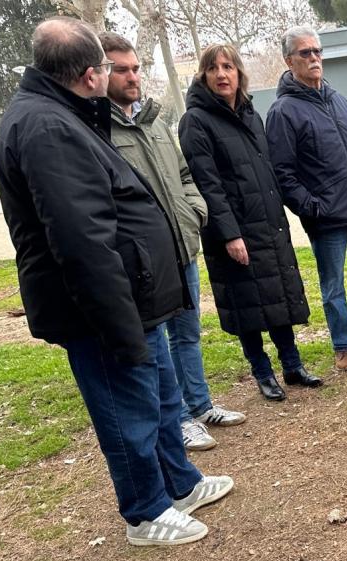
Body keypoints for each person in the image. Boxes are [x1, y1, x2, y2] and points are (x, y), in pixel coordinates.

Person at [0, 17, 232, 546]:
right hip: (101, 308)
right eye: (106, 66)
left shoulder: (66, 114)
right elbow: (82, 239)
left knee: (162, 397)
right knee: (129, 414)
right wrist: (117, 323)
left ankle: (180, 483)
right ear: (90, 74)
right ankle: (145, 513)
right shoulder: (46, 127)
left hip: (137, 296)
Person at [100, 32, 245, 451]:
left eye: (135, 68)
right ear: (101, 73)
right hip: (146, 262)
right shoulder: (99, 131)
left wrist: (195, 212)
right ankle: (178, 418)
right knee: (158, 344)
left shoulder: (155, 122)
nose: (132, 77)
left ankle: (200, 405)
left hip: (182, 248)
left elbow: (185, 177)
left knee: (188, 334)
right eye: (120, 69)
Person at [179, 43, 322, 401]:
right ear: (205, 76)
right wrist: (229, 234)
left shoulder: (249, 115)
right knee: (247, 306)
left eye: (228, 67)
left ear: (239, 73)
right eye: (214, 69)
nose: (222, 74)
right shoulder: (196, 121)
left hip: (267, 225)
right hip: (234, 231)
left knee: (278, 298)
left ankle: (292, 365)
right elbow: (207, 184)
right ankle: (262, 371)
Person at [266, 26, 347, 371]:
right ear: (289, 61)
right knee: (333, 284)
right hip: (326, 216)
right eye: (305, 53)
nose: (314, 58)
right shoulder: (283, 111)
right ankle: (342, 344)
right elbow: (283, 173)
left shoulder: (338, 99)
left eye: (317, 51)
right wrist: (311, 207)